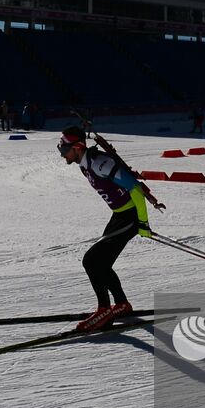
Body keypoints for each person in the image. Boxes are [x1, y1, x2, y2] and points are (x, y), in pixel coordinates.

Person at [58, 125, 166, 332]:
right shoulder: (84, 162)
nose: (62, 153)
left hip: (130, 217)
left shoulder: (99, 163)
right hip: (119, 215)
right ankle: (122, 304)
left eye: (64, 149)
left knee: (91, 260)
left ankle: (104, 311)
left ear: (78, 147)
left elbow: (134, 188)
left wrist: (142, 223)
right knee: (102, 262)